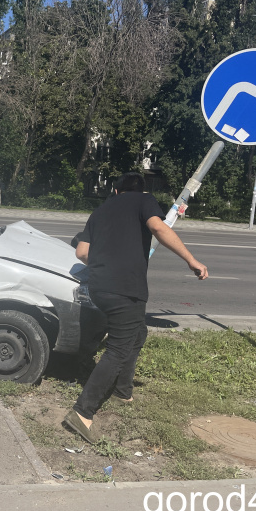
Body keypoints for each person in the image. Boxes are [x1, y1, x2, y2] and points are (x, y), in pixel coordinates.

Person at [64, 172, 208, 443]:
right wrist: (191, 260)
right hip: (125, 288)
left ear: (116, 191)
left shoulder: (100, 210)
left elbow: (82, 253)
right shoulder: (145, 201)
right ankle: (82, 412)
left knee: (138, 333)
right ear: (141, 192)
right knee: (118, 348)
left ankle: (122, 390)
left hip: (98, 286)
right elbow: (159, 228)